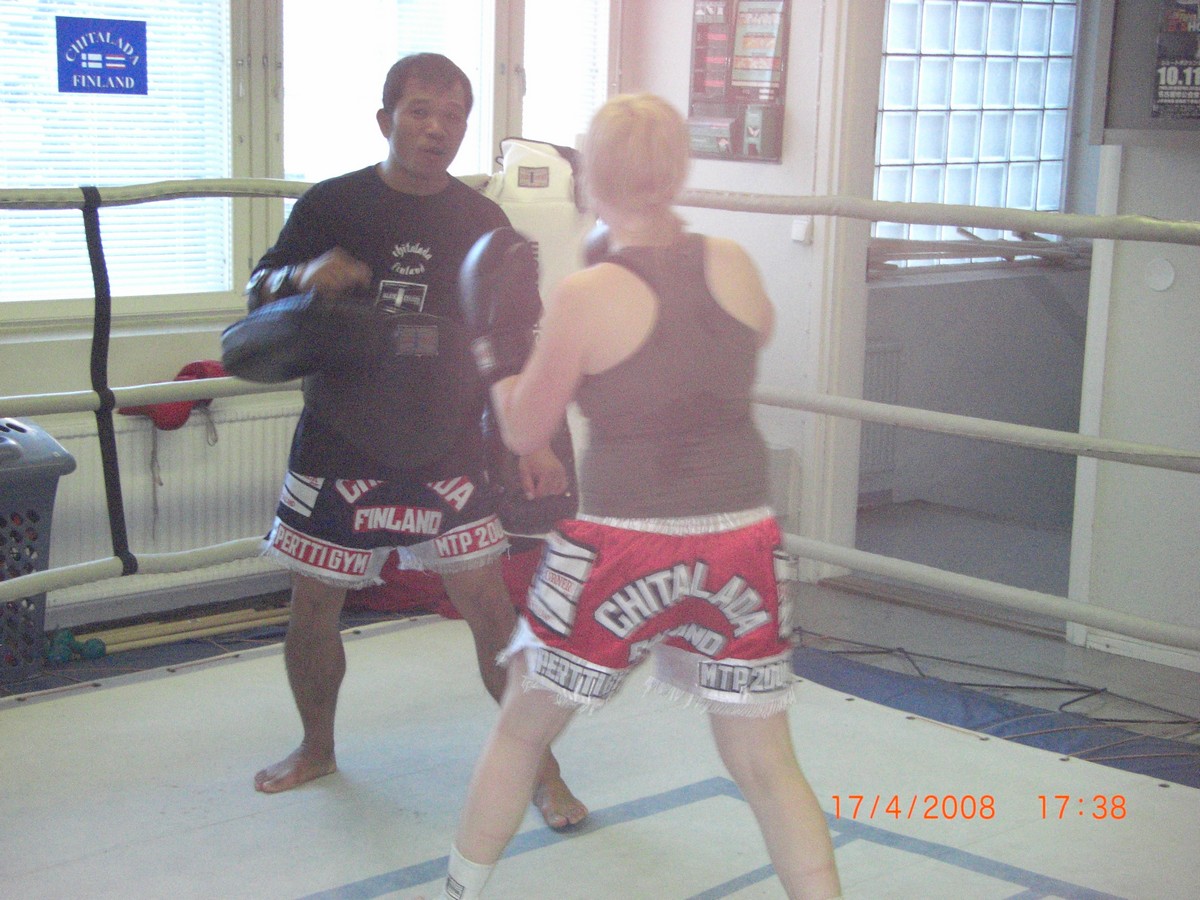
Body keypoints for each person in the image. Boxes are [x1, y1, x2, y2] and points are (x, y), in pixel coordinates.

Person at [443, 94, 842, 898]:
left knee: (522, 729)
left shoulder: (587, 294)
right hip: (742, 537)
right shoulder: (733, 262)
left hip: (625, 540)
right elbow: (743, 338)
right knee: (765, 761)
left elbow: (524, 430)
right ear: (678, 171)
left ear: (589, 179)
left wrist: (494, 355)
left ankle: (458, 890)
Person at [245, 52, 586, 830]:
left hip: (446, 437)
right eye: (421, 111)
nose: (437, 128)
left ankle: (544, 772)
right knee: (314, 601)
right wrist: (302, 276)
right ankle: (316, 747)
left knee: (489, 606)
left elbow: (515, 340)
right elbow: (256, 289)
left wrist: (531, 439)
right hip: (341, 432)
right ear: (385, 119)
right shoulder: (332, 204)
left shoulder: (483, 223)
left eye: (453, 115)